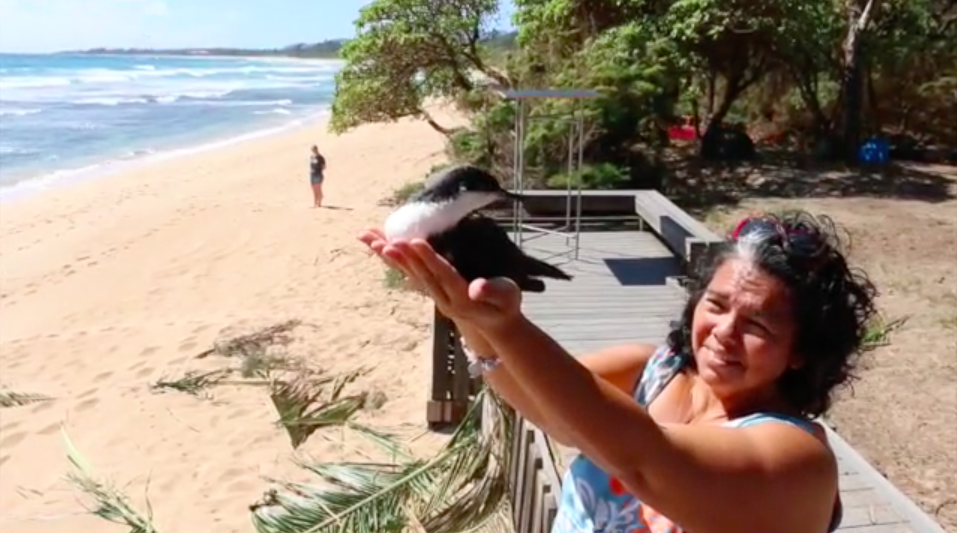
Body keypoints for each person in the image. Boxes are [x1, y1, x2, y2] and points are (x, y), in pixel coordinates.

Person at [358, 210, 878, 533]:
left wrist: (510, 327)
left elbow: (643, 462)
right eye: (716, 305)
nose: (723, 331)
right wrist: (468, 320)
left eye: (757, 324)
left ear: (802, 351)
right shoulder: (656, 370)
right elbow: (551, 411)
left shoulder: (796, 458)